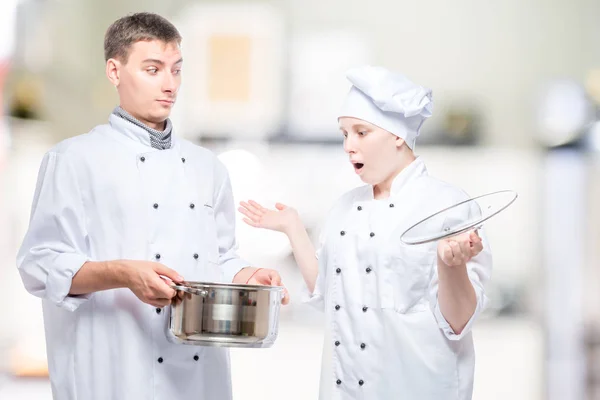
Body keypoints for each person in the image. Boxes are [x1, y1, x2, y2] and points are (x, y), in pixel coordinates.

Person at [16, 12, 288, 400]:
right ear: (115, 70)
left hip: (197, 372)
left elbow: (219, 257)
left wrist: (247, 277)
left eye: (176, 70)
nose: (169, 84)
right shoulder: (75, 159)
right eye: (152, 69)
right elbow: (40, 265)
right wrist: (123, 273)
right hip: (115, 367)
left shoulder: (207, 167)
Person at [238, 66, 492, 399]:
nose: (348, 145)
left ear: (397, 135)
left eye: (361, 132)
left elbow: (458, 322)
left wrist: (451, 266)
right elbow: (329, 294)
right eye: (344, 133)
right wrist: (293, 228)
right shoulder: (344, 209)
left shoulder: (448, 206)